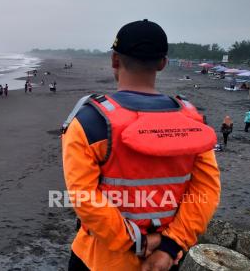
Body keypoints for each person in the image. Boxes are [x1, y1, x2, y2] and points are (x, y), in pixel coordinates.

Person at [61, 19, 220, 271]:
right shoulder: (193, 121)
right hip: (163, 260)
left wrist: (136, 243)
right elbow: (207, 191)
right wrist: (170, 245)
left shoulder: (89, 122)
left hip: (98, 259)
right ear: (163, 63)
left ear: (115, 60)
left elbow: (84, 197)